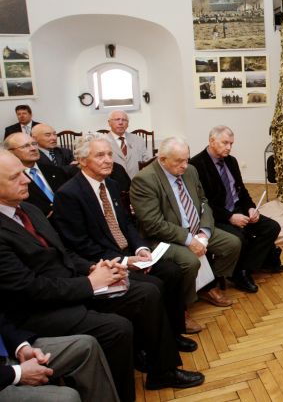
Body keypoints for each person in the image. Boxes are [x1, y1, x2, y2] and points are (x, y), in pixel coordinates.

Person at [0, 149, 205, 401]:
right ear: (83, 161)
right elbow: (29, 288)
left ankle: (162, 371)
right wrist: (89, 283)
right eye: (15, 177)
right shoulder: (57, 199)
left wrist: (94, 269)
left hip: (73, 283)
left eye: (23, 173)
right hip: (39, 309)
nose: (27, 180)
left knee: (147, 292)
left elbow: (65, 253)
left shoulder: (29, 210)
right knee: (118, 327)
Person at [53, 134, 200, 343]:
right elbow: (80, 244)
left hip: (128, 252)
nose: (108, 160)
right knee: (153, 286)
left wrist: (140, 249)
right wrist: (125, 261)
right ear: (82, 161)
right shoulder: (68, 194)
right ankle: (154, 342)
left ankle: (175, 332)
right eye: (100, 155)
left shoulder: (111, 185)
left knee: (172, 271)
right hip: (104, 262)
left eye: (109, 154)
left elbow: (127, 224)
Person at [129, 137, 241, 319]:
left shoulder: (190, 171)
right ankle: (182, 307)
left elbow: (203, 201)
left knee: (232, 244)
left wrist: (204, 232)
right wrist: (189, 240)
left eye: (187, 159)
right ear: (162, 159)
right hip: (165, 236)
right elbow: (153, 224)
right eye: (179, 161)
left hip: (196, 227)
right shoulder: (145, 180)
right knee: (190, 261)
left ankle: (207, 285)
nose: (184, 165)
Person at [190, 125, 283, 293]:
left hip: (239, 210)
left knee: (272, 227)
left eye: (231, 143)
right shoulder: (196, 165)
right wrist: (230, 217)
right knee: (240, 238)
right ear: (212, 141)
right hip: (218, 216)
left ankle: (244, 268)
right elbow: (204, 203)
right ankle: (240, 273)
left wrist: (251, 208)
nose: (229, 147)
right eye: (225, 143)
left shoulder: (231, 161)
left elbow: (241, 191)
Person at [1, 314, 118, 402]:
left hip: (6, 355)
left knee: (86, 346)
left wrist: (21, 348)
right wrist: (17, 373)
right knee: (67, 398)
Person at [3, 132, 68, 217]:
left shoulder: (54, 170)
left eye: (34, 144)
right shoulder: (11, 179)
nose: (33, 148)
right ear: (10, 152)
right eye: (25, 146)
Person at [104, 110, 152, 179]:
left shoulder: (138, 140)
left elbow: (147, 161)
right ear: (109, 123)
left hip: (137, 182)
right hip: (114, 183)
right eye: (117, 119)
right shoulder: (102, 141)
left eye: (124, 120)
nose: (121, 122)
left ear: (128, 124)